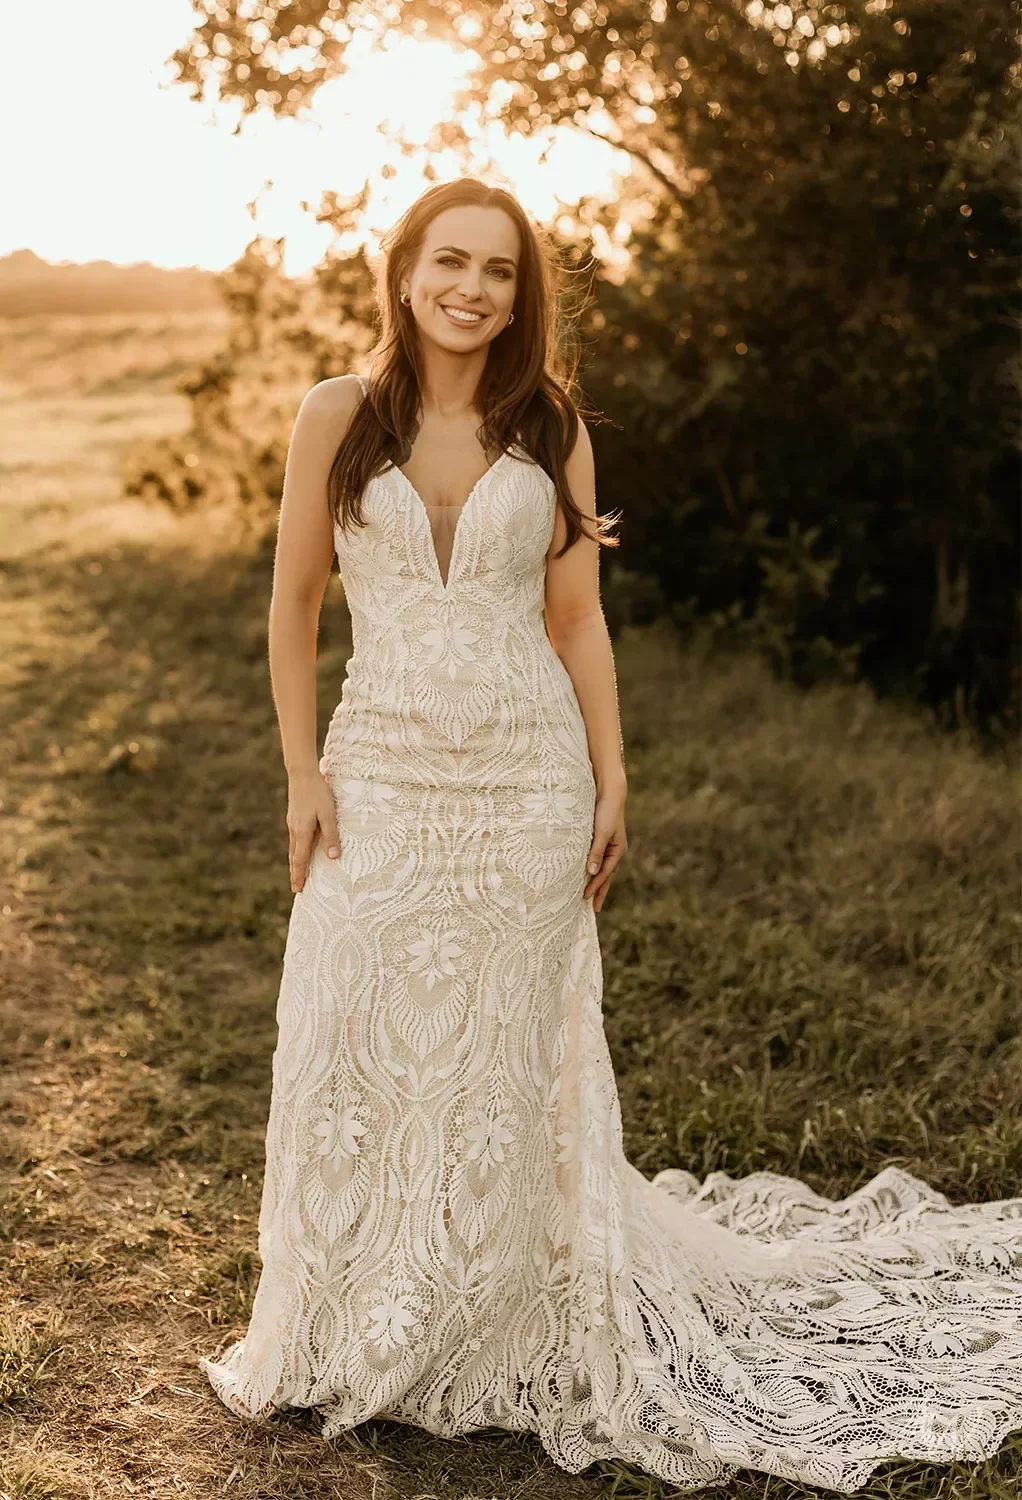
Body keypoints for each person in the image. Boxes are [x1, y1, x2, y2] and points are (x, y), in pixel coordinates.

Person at [200, 177, 1022, 1493]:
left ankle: (496, 1318)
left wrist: (610, 772)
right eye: (449, 263)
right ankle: (351, 1320)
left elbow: (574, 619)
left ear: (522, 295)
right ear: (403, 272)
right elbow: (292, 606)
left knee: (508, 1052)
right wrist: (301, 775)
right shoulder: (335, 417)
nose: (473, 289)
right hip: (384, 772)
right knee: (356, 1027)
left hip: (526, 775)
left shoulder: (551, 423)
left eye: (501, 272)